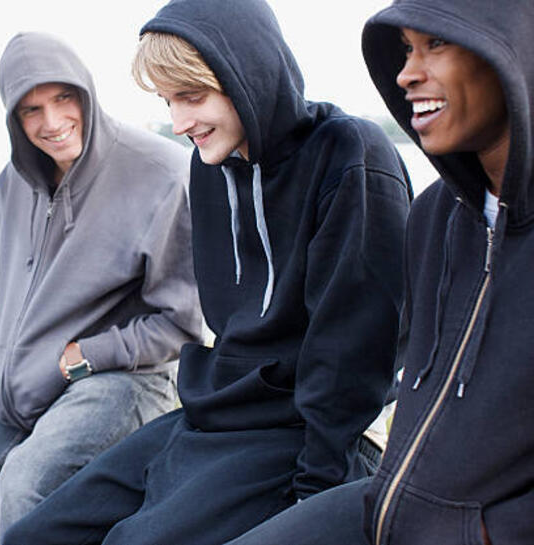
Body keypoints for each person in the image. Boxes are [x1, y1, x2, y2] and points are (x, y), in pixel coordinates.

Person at [2, 1, 412, 544]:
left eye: (192, 97)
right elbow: (228, 319)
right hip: (212, 412)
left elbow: (353, 354)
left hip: (296, 430)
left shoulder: (351, 155)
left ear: (249, 77)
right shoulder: (211, 164)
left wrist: (313, 499)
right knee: (36, 535)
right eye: (169, 102)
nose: (179, 123)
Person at [223, 1, 534, 544]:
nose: (407, 73)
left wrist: (492, 533)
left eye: (436, 45)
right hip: (389, 505)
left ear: (512, 52)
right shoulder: (436, 215)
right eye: (408, 49)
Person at [0, 31, 204, 544]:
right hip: (18, 391)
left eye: (63, 99)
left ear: (86, 93)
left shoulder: (163, 174)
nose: (51, 122)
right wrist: (11, 360)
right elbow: (8, 283)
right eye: (31, 110)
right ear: (13, 119)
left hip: (121, 378)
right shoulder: (12, 181)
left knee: (28, 488)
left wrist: (83, 355)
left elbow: (182, 325)